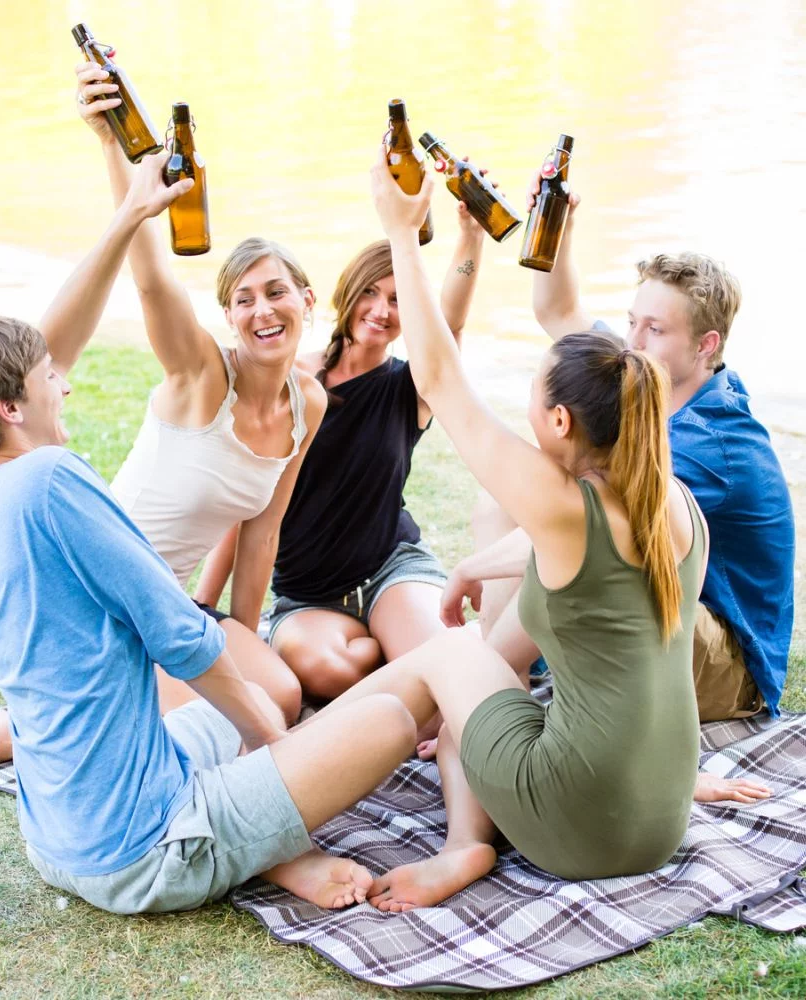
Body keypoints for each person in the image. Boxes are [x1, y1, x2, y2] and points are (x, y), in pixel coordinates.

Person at [0, 160, 418, 914]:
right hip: (144, 846)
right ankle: (277, 849)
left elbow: (253, 543)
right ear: (11, 408)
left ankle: (244, 809)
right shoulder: (52, 479)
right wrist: (271, 742)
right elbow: (181, 635)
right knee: (377, 720)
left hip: (57, 833)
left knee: (265, 698)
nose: (68, 383)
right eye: (50, 379)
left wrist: (126, 214)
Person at [300, 153, 768, 912]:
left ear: (558, 421)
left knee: (453, 656)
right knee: (477, 677)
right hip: (659, 821)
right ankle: (421, 798)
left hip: (576, 830)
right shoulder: (672, 503)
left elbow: (441, 380)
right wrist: (469, 570)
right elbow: (564, 557)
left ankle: (424, 829)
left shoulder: (561, 508)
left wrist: (399, 230)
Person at [0, 63, 324, 785]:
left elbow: (261, 534)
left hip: (175, 602)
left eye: (277, 293)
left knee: (282, 689)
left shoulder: (307, 403)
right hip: (112, 606)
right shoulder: (203, 375)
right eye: (245, 299)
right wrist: (119, 164)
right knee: (265, 705)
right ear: (227, 317)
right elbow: (150, 281)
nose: (263, 311)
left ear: (307, 299)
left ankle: (31, 725)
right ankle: (13, 731)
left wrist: (242, 632)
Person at [455, 167, 796, 721]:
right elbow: (557, 312)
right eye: (633, 322)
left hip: (724, 666)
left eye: (654, 331)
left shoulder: (711, 443)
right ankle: (500, 675)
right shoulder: (642, 380)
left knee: (567, 548)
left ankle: (482, 682)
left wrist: (473, 569)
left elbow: (591, 529)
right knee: (502, 505)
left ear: (706, 345)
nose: (631, 342)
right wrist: (560, 230)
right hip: (663, 621)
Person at [197, 200, 490, 701]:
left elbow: (450, 324)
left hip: (390, 570)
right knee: (331, 672)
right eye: (370, 293)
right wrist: (204, 604)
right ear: (346, 294)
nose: (380, 310)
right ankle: (398, 660)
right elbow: (245, 508)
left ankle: (407, 650)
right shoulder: (292, 383)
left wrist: (470, 238)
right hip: (307, 597)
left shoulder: (412, 386)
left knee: (448, 667)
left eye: (398, 300)